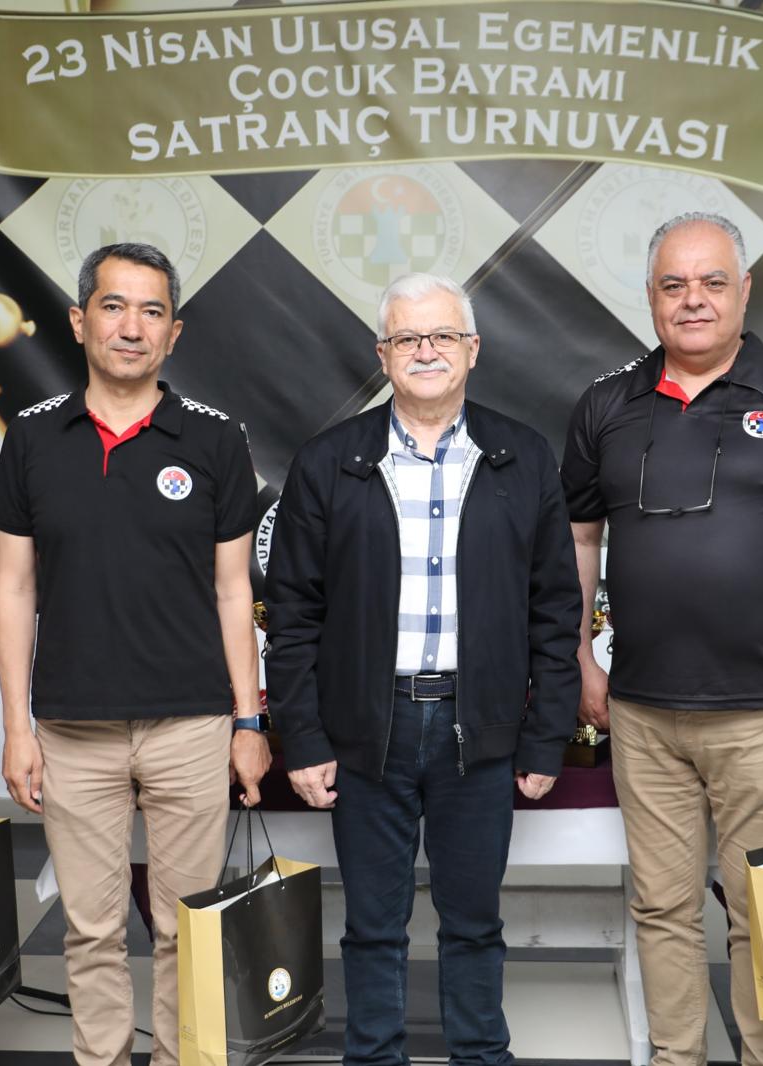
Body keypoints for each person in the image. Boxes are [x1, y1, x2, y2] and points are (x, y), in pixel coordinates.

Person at [560, 213, 763, 1066]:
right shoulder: (607, 403)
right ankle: (677, 1058)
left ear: (745, 291)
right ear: (650, 297)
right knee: (661, 909)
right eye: (674, 285)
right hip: (642, 714)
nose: (693, 300)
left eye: (713, 282)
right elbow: (580, 538)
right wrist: (579, 654)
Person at [265, 272, 582, 1066]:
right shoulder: (330, 461)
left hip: (481, 730)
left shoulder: (522, 457)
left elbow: (556, 610)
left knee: (474, 924)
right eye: (407, 338)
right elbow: (293, 615)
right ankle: (374, 1057)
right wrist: (303, 737)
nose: (426, 351)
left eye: (443, 335)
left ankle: (481, 1056)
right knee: (372, 926)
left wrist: (546, 736)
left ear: (473, 349)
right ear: (383, 355)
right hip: (366, 729)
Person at [0, 242, 270, 1066]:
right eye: (113, 306)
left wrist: (248, 722)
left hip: (191, 726)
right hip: (73, 730)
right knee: (91, 930)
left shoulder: (216, 439)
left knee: (189, 928)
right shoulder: (32, 437)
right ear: (79, 322)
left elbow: (234, 593)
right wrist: (16, 728)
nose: (131, 327)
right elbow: (14, 589)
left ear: (174, 333)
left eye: (152, 311)